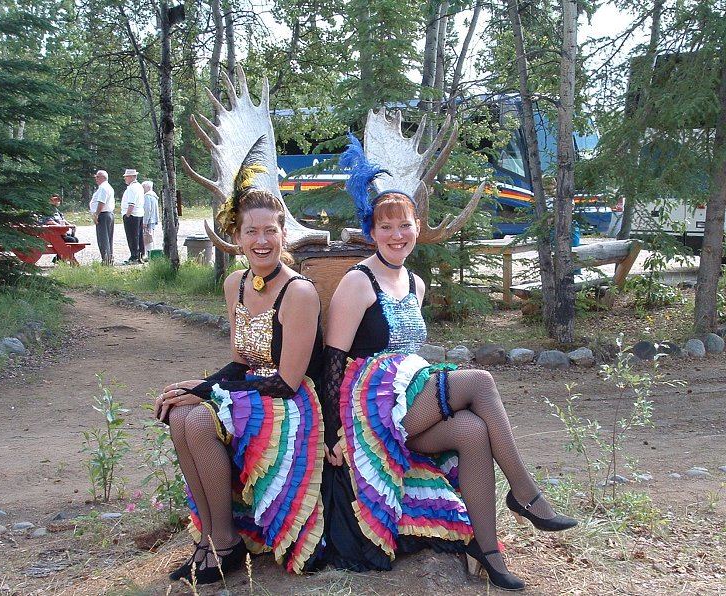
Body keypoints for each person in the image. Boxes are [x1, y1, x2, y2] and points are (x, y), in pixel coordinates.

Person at [319, 135, 577, 591]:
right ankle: (526, 494)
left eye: (405, 225)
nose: (397, 234)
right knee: (479, 381)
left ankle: (488, 550)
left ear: (417, 227)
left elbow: (412, 357)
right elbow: (332, 361)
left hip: (408, 395)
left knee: (472, 432)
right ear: (370, 232)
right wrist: (334, 435)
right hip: (370, 406)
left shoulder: (414, 284)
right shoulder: (357, 282)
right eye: (386, 227)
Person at [157, 188, 325, 586]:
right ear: (237, 237)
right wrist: (201, 386)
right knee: (180, 413)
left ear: (284, 235)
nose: (261, 240)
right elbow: (241, 362)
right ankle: (210, 539)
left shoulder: (298, 291)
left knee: (199, 422)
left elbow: (287, 381)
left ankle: (228, 543)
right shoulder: (235, 283)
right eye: (252, 231)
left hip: (291, 402)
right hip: (251, 387)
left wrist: (209, 391)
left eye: (270, 230)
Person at [90, 170, 115, 265]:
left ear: (103, 178)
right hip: (108, 214)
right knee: (108, 237)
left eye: (98, 177)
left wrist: (96, 214)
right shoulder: (107, 187)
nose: (96, 179)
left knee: (103, 238)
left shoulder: (103, 188)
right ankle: (109, 258)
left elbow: (101, 202)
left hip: (103, 214)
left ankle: (106, 260)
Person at [120, 168, 144, 263]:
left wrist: (127, 215)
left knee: (132, 236)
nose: (125, 179)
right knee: (138, 235)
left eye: (126, 177)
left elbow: (131, 203)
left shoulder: (132, 188)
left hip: (132, 214)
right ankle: (141, 254)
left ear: (131, 177)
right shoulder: (139, 186)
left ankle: (134, 256)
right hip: (139, 214)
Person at [141, 180, 159, 257]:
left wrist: (145, 221)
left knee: (147, 238)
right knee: (151, 236)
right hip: (153, 219)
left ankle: (148, 254)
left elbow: (147, 209)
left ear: (147, 187)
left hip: (149, 220)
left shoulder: (147, 196)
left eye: (143, 187)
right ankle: (151, 253)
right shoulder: (154, 196)